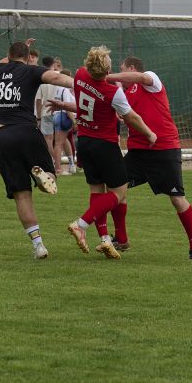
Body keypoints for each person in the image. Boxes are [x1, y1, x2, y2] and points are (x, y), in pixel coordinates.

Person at [106, 56, 192, 262]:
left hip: (164, 149)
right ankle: (121, 239)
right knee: (115, 187)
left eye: (122, 70)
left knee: (176, 198)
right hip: (138, 152)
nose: (120, 75)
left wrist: (108, 77)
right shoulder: (123, 94)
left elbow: (140, 78)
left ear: (131, 68)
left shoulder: (150, 79)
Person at [67, 45, 155, 260]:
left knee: (97, 191)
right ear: (107, 71)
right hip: (105, 145)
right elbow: (132, 117)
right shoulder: (113, 92)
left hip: (84, 142)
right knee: (119, 193)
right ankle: (81, 224)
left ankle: (107, 239)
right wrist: (149, 134)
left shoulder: (79, 75)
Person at [0, 40, 74, 260]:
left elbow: (4, 59)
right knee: (51, 176)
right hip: (26, 131)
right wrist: (82, 84)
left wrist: (20, 48)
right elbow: (56, 78)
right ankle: (45, 176)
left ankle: (38, 245)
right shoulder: (31, 70)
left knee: (21, 195)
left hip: (0, 136)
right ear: (28, 58)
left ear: (8, 55)